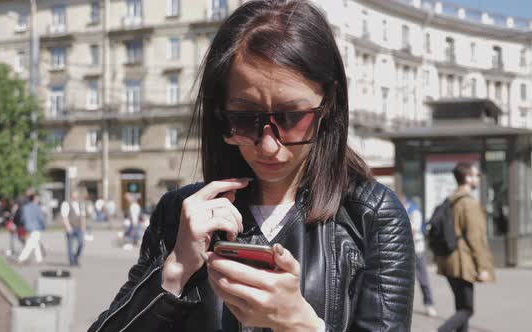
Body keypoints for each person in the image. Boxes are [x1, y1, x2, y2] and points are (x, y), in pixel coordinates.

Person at [89, 1, 414, 331]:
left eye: (291, 118)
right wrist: (175, 270)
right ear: (221, 112)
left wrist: (301, 324)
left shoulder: (370, 215)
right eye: (245, 119)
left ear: (327, 103)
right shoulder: (179, 215)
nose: (269, 146)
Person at [435, 163, 495, 332]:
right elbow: (476, 239)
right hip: (462, 262)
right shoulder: (468, 203)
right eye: (476, 175)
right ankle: (443, 330)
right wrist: (483, 267)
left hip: (448, 260)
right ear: (467, 178)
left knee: (461, 306)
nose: (478, 179)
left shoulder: (451, 199)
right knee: (467, 309)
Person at [400, 193, 438, 317]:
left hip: (417, 250)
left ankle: (429, 304)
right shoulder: (401, 210)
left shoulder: (414, 211)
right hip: (403, 250)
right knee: (401, 280)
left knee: (423, 279)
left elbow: (413, 230)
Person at [17, 194, 46, 264]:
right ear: (34, 199)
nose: (38, 200)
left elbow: (22, 218)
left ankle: (39, 259)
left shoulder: (25, 207)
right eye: (37, 199)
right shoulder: (37, 207)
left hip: (28, 227)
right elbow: (41, 218)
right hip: (36, 227)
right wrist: (44, 225)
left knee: (35, 242)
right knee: (30, 243)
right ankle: (21, 258)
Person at [61, 190, 86, 266]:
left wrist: (83, 226)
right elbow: (64, 217)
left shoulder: (80, 204)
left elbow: (82, 216)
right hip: (71, 227)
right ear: (71, 196)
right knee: (70, 245)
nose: (76, 197)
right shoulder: (66, 204)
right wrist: (68, 227)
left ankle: (76, 257)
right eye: (74, 195)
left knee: (81, 243)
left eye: (77, 195)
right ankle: (72, 261)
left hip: (79, 227)